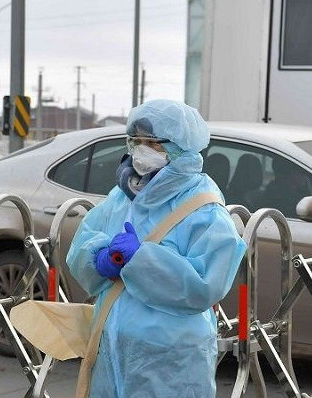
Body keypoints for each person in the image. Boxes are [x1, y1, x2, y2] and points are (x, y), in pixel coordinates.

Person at [67, 99, 246, 397]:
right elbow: (82, 244)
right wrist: (97, 258)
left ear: (179, 147)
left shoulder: (205, 210)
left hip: (170, 359)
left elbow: (205, 285)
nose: (140, 149)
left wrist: (142, 260)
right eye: (135, 141)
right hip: (111, 348)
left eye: (151, 142)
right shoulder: (123, 197)